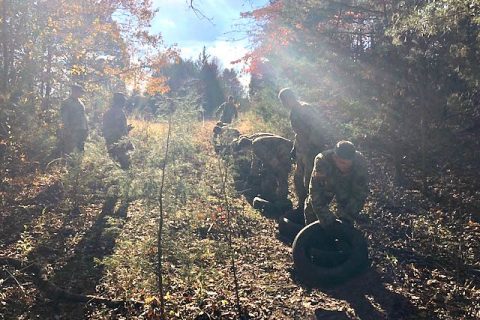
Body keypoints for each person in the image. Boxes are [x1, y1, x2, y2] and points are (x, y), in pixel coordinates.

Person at [278, 88, 327, 212]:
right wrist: (295, 148)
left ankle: (312, 209)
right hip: (302, 151)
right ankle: (302, 204)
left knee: (309, 181)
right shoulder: (293, 112)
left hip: (312, 151)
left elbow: (318, 128)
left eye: (283, 101)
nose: (283, 105)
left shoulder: (306, 109)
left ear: (290, 98)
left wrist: (312, 147)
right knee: (297, 179)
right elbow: (298, 133)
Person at [304, 140, 369, 226]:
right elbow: (315, 192)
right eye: (342, 163)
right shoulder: (322, 161)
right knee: (311, 210)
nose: (346, 167)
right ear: (335, 158)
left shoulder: (360, 162)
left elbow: (360, 193)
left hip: (347, 184)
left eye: (349, 164)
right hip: (328, 182)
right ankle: (312, 233)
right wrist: (326, 218)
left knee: (347, 216)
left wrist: (347, 215)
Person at [233, 134, 293, 206]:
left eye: (244, 149)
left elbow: (271, 159)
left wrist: (275, 169)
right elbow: (255, 163)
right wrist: (252, 176)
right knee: (271, 173)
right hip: (281, 151)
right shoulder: (254, 145)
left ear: (245, 146)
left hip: (284, 150)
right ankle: (277, 195)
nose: (245, 151)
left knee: (281, 174)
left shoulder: (256, 146)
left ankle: (282, 199)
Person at [102, 92, 134, 169]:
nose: (124, 103)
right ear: (120, 102)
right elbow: (116, 129)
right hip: (118, 141)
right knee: (122, 162)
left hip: (113, 140)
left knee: (114, 161)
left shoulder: (109, 112)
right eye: (123, 101)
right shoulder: (118, 112)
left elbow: (113, 127)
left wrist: (126, 129)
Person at [60, 84, 88, 155]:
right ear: (74, 91)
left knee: (80, 150)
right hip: (72, 131)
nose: (81, 94)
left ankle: (78, 165)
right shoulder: (66, 102)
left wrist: (86, 129)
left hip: (81, 130)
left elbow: (83, 117)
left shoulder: (81, 103)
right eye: (80, 92)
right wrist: (67, 130)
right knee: (70, 152)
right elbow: (64, 118)